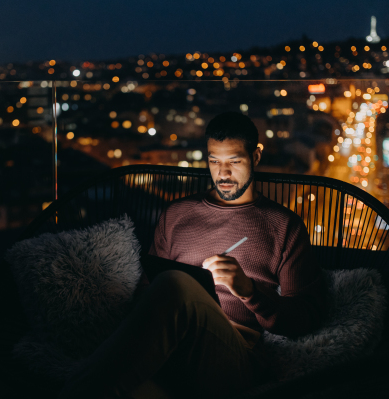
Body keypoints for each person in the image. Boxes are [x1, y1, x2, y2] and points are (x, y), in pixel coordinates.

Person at [58, 112, 328, 399]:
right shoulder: (176, 214)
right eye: (214, 161)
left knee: (176, 283)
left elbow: (304, 320)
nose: (223, 174)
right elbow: (147, 293)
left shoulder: (283, 225)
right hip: (168, 352)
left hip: (234, 357)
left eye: (234, 162)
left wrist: (249, 292)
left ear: (256, 156)